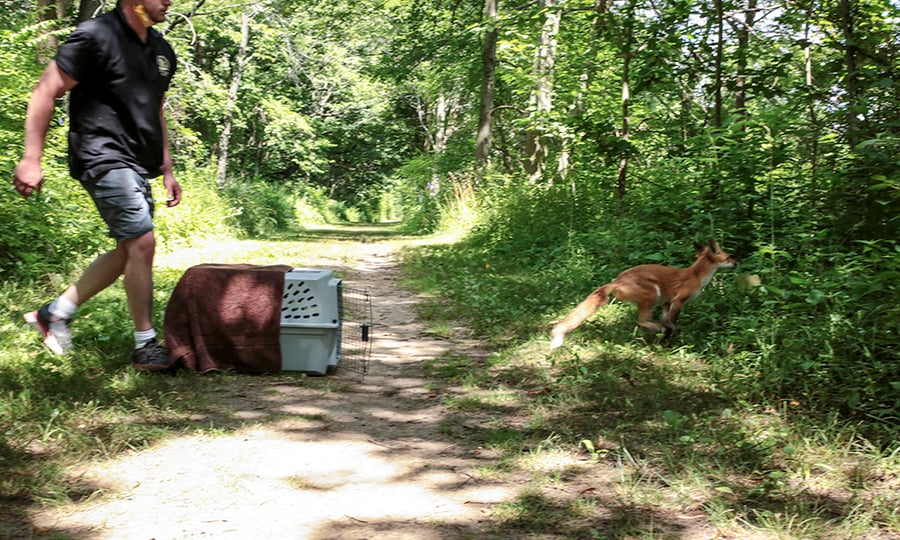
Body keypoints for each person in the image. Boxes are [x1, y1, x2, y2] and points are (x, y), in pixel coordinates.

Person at [13, 0, 181, 371]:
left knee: (130, 249)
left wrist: (167, 166)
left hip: (139, 161)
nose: (170, 0)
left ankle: (55, 313)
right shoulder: (95, 36)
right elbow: (45, 91)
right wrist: (31, 158)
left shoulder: (160, 51)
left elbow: (156, 109)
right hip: (100, 154)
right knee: (142, 241)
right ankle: (145, 344)